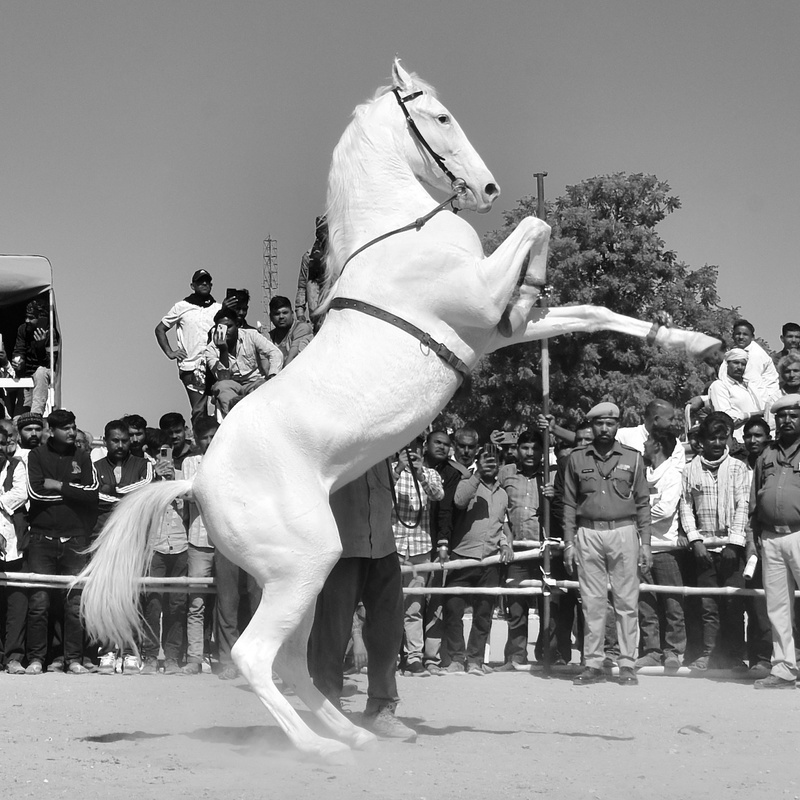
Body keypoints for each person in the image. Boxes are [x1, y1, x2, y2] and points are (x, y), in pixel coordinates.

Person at [309, 463, 416, 740]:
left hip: (382, 541)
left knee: (388, 629)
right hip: (340, 542)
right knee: (332, 631)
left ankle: (381, 709)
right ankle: (328, 710)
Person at [562, 402, 652, 687]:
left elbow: (643, 503)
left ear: (618, 426)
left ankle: (627, 663)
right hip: (588, 533)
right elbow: (567, 503)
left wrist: (646, 544)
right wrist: (568, 543)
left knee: (627, 601)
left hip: (624, 531)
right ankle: (593, 662)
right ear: (592, 426)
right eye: (599, 423)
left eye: (610, 424)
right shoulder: (576, 459)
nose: (604, 429)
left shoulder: (633, 458)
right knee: (592, 602)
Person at [25, 409, 99, 675]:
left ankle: (74, 659)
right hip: (42, 539)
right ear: (52, 430)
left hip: (75, 540)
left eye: (73, 426)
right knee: (40, 603)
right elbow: (35, 493)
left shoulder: (83, 456)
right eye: (66, 428)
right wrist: (74, 493)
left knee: (75, 604)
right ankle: (36, 659)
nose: (71, 432)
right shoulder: (36, 456)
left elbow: (93, 494)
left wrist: (59, 486)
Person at [679, 412, 749, 670]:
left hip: (732, 549)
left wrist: (733, 544)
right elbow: (686, 507)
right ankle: (709, 654)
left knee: (733, 603)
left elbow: (743, 505)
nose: (718, 443)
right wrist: (695, 540)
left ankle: (732, 656)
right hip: (704, 549)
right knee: (708, 605)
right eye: (713, 438)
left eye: (723, 437)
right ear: (702, 441)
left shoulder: (738, 468)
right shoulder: (689, 470)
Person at [442, 445, 513, 676]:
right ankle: (454, 658)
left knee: (484, 614)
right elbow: (459, 501)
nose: (490, 464)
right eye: (486, 460)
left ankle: (474, 660)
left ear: (500, 464)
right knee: (453, 610)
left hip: (489, 562)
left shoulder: (503, 494)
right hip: (462, 556)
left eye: (494, 461)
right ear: (479, 461)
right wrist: (478, 474)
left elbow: (501, 525)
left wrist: (505, 543)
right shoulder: (468, 483)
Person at [92, 419, 153, 673]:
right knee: (105, 594)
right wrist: (123, 496)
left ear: (131, 441)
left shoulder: (144, 465)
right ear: (105, 441)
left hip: (133, 539)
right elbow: (93, 494)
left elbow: (146, 487)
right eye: (114, 440)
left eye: (124, 440)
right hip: (103, 538)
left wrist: (113, 491)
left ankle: (130, 652)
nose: (120, 445)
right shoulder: (93, 466)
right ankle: (107, 650)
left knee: (131, 596)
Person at [749, 394, 800, 688]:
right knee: (777, 607)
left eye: (793, 415)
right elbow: (754, 500)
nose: (787, 421)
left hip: (798, 533)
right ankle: (783, 668)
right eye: (781, 416)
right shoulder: (766, 455)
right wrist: (751, 539)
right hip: (770, 537)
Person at [138, 413, 192, 675]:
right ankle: (149, 657)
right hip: (155, 544)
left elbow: (191, 500)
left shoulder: (184, 474)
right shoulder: (146, 474)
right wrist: (155, 479)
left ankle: (171, 656)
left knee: (178, 603)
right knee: (152, 602)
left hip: (181, 543)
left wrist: (173, 480)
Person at [390, 436, 443, 676]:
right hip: (392, 548)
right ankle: (388, 657)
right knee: (388, 606)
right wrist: (400, 468)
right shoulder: (390, 471)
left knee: (414, 607)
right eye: (405, 449)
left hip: (420, 549)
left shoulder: (430, 474)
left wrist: (420, 473)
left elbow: (437, 495)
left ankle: (413, 657)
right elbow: (382, 496)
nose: (410, 453)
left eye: (414, 449)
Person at [635, 428, 686, 670]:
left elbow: (666, 510)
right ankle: (651, 651)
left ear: (657, 445)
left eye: (648, 440)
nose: (644, 444)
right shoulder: (641, 473)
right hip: (642, 547)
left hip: (665, 548)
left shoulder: (674, 475)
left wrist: (638, 516)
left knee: (672, 603)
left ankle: (673, 651)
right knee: (646, 604)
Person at [497, 431, 547, 670]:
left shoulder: (551, 475)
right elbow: (498, 506)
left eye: (535, 448)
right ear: (517, 449)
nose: (530, 453)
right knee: (516, 606)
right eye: (525, 448)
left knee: (548, 604)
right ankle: (516, 656)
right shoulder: (506, 473)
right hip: (515, 550)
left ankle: (549, 654)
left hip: (544, 550)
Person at [155, 269, 231, 425]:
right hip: (192, 366)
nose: (204, 284)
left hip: (215, 364)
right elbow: (160, 329)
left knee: (223, 406)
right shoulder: (181, 306)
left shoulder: (218, 308)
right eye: (200, 281)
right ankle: (201, 445)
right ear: (193, 285)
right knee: (199, 411)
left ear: (211, 285)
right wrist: (170, 352)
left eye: (207, 281)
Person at [180, 416, 219, 675]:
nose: (209, 441)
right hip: (199, 539)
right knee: (196, 602)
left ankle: (226, 657)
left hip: (228, 542)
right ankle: (195, 656)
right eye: (204, 437)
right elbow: (190, 494)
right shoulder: (190, 462)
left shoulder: (235, 459)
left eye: (213, 436)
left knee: (230, 603)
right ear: (195, 438)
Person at [740, 416, 774, 678]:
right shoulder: (737, 466)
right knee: (756, 606)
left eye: (758, 435)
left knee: (788, 604)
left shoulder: (776, 464)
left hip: (775, 541)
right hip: (747, 544)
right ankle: (759, 659)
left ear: (767, 438)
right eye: (749, 435)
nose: (753, 440)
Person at [205, 307, 283, 416]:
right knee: (221, 387)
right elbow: (223, 379)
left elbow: (275, 353)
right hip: (231, 385)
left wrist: (272, 376)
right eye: (221, 327)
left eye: (229, 326)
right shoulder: (211, 349)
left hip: (254, 382)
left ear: (237, 324)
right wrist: (223, 350)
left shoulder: (251, 335)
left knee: (263, 389)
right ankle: (233, 421)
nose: (225, 331)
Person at [0, 425, 29, 674]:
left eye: (2, 443)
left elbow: (20, 494)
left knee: (17, 603)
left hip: (14, 545)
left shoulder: (17, 466)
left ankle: (14, 657)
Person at [716, 319, 780, 410]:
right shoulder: (738, 352)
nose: (741, 337)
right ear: (733, 336)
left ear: (752, 337)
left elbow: (753, 387)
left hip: (762, 404)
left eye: (745, 334)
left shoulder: (754, 355)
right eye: (738, 334)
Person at [11, 301, 59, 416]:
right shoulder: (23, 329)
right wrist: (19, 362)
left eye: (31, 318)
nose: (27, 320)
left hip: (44, 375)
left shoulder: (50, 333)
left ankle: (36, 414)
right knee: (19, 417)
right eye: (26, 317)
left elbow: (49, 363)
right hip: (27, 376)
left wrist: (40, 346)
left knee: (41, 372)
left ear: (41, 319)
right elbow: (19, 350)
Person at [709, 348, 764, 444]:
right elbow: (724, 418)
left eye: (743, 364)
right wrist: (752, 415)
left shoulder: (751, 386)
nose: (739, 367)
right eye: (736, 363)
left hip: (757, 441)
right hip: (737, 442)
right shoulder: (720, 386)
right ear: (727, 364)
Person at [616, 399, 686, 472]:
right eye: (670, 419)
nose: (673, 423)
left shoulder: (675, 445)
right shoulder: (622, 436)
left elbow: (676, 474)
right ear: (655, 420)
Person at [295, 215, 328, 331]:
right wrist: (300, 313)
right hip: (316, 317)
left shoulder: (338, 257)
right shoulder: (308, 257)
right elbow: (302, 286)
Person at [268, 296, 314, 367]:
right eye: (277, 314)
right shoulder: (269, 337)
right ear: (271, 317)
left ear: (292, 314)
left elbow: (291, 359)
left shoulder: (301, 328)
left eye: (285, 313)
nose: (281, 317)